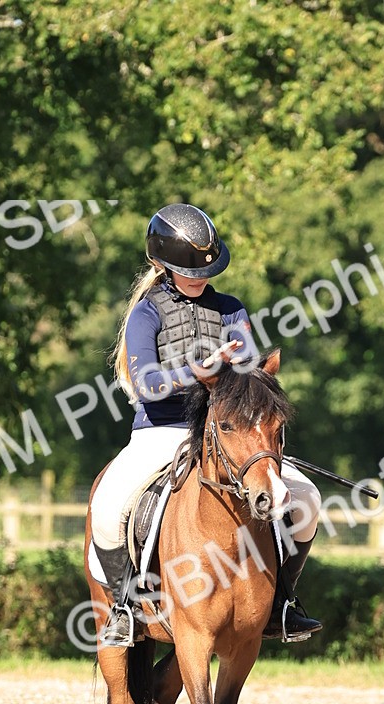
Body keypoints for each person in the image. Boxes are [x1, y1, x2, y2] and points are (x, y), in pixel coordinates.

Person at [90, 202, 322, 648]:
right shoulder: (146, 314)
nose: (199, 277)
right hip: (162, 429)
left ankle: (282, 600)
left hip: (229, 433)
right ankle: (125, 608)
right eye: (188, 271)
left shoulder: (231, 309)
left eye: (206, 269)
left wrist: (245, 368)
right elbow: (147, 384)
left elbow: (250, 373)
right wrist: (196, 372)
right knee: (107, 508)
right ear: (163, 264)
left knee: (307, 499)